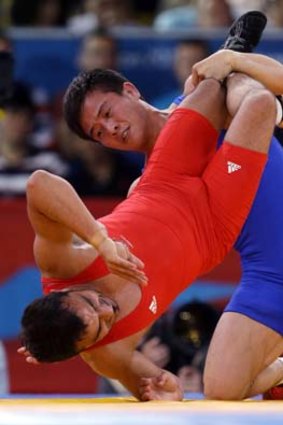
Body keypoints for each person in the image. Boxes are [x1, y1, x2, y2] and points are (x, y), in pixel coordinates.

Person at [57, 10, 283, 400]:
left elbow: (261, 91)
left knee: (243, 91)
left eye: (108, 113)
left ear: (130, 90)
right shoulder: (145, 190)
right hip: (269, 275)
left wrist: (234, 62)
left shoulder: (201, 98)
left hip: (244, 102)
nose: (111, 130)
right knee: (221, 388)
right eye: (99, 133)